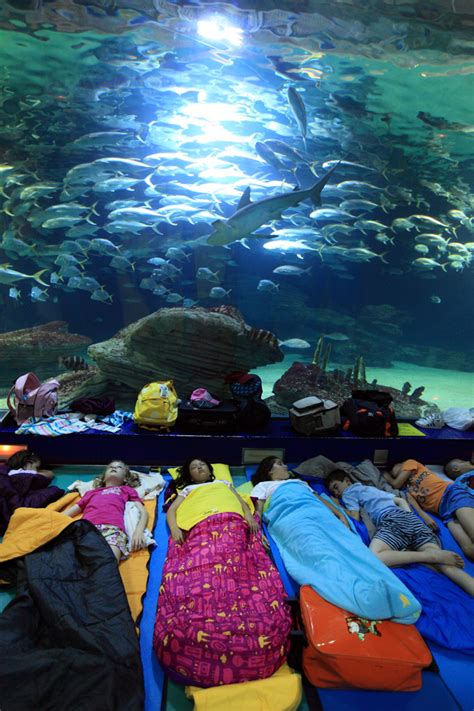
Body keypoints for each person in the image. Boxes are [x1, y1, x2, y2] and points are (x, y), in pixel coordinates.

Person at [326, 469, 474, 596]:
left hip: (392, 519)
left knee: (375, 557)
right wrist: (409, 517)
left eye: (336, 487)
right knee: (445, 565)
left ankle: (427, 556)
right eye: (334, 491)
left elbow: (354, 516)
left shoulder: (349, 492)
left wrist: (336, 505)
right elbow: (400, 501)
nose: (337, 492)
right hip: (412, 520)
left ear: (346, 481)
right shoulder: (371, 489)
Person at [386, 459, 474, 561]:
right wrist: (424, 516)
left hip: (451, 495)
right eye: (392, 472)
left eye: (395, 467)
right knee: (469, 550)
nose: (394, 471)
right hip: (443, 512)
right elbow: (410, 500)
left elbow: (395, 483)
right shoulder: (406, 487)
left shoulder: (410, 463)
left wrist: (386, 476)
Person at [64, 460, 148, 563]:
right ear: (103, 478)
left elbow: (143, 512)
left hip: (112, 530)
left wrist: (138, 532)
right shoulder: (91, 493)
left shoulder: (126, 489)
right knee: (73, 562)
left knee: (108, 564)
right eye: (110, 467)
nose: (114, 468)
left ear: (125, 478)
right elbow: (70, 512)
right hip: (86, 528)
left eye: (119, 467)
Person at [166, 458, 258, 543]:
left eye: (202, 464)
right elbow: (172, 510)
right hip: (202, 521)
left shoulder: (223, 483)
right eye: (194, 467)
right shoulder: (188, 489)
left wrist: (248, 515)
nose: (199, 467)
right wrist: (174, 528)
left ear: (210, 471)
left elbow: (240, 501)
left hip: (230, 517)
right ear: (191, 477)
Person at [250, 456, 349, 527]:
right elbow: (258, 510)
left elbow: (319, 499)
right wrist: (257, 531)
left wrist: (340, 515)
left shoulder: (299, 482)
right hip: (292, 516)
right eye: (280, 464)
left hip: (318, 511)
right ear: (269, 470)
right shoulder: (264, 485)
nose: (286, 466)